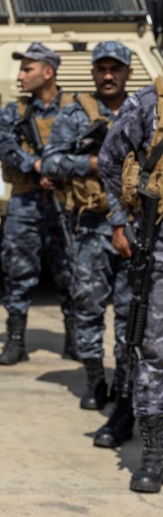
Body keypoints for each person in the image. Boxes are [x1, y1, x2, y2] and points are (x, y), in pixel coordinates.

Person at [43, 41, 133, 424]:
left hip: (134, 229)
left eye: (115, 69)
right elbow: (51, 162)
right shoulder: (76, 115)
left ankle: (126, 386)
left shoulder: (142, 113)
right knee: (89, 307)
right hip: (89, 226)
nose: (108, 76)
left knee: (133, 314)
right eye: (102, 69)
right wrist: (92, 163)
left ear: (128, 72)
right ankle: (95, 380)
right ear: (93, 72)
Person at [0, 43, 78, 365]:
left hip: (66, 204)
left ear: (48, 72)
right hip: (25, 205)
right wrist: (36, 166)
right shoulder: (14, 111)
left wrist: (59, 168)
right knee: (17, 274)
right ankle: (15, 341)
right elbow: (4, 147)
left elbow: (90, 150)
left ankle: (75, 340)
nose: (21, 75)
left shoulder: (76, 109)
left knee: (71, 273)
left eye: (28, 69)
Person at [99, 73, 163, 493]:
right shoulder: (148, 102)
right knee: (153, 351)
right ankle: (154, 454)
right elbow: (109, 160)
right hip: (158, 246)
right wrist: (121, 221)